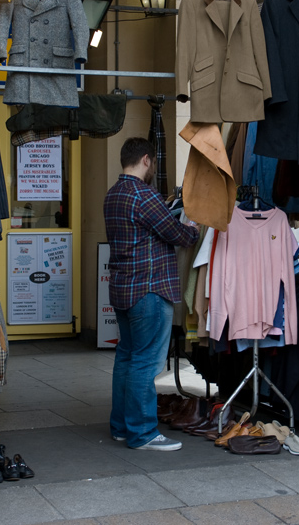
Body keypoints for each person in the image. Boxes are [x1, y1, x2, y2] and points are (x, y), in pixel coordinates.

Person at [104, 137, 199, 450]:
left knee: (127, 358)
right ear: (146, 159)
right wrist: (194, 228)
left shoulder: (113, 194)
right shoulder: (144, 195)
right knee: (145, 363)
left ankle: (120, 426)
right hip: (149, 288)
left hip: (122, 289)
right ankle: (142, 432)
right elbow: (176, 234)